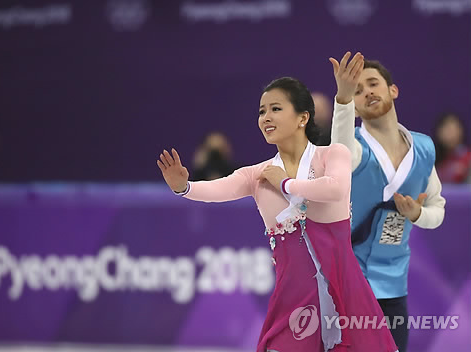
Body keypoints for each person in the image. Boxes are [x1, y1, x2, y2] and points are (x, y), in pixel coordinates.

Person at [157, 77, 398, 352]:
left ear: (302, 118)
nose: (265, 117)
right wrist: (183, 187)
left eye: (275, 109)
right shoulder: (256, 175)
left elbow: (336, 188)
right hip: (294, 304)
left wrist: (285, 183)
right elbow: (215, 190)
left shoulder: (333, 155)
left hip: (345, 294)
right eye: (262, 111)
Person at [329, 52, 446, 352]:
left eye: (373, 84)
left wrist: (418, 213)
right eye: (357, 90)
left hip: (394, 280)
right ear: (353, 106)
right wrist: (341, 99)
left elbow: (438, 209)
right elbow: (338, 150)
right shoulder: (355, 149)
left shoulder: (423, 149)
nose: (366, 91)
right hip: (350, 279)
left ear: (392, 90)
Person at [433, 112, 471, 183]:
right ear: (439, 132)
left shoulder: (468, 158)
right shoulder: (431, 159)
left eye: (454, 129)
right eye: (447, 130)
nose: (451, 134)